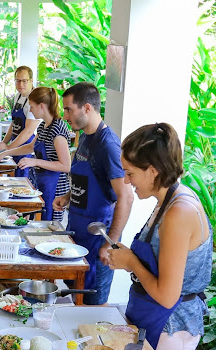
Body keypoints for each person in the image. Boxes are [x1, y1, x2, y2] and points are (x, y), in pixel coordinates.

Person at [107, 123, 212, 350]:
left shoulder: (180, 211)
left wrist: (131, 262)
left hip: (170, 325)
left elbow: (168, 295)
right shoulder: (163, 201)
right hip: (148, 320)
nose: (127, 181)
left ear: (153, 170)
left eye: (131, 173)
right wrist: (126, 260)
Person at [53, 82, 134, 305]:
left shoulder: (108, 146)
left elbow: (126, 196)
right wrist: (68, 196)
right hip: (78, 231)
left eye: (69, 109)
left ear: (87, 108)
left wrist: (111, 243)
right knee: (76, 298)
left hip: (98, 239)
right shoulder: (85, 136)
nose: (64, 114)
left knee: (93, 305)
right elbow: (87, 177)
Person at [0, 86, 71, 221]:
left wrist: (35, 161)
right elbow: (30, 147)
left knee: (47, 226)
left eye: (32, 106)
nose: (30, 110)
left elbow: (66, 165)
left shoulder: (58, 129)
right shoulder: (43, 126)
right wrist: (5, 153)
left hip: (55, 189)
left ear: (41, 106)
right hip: (42, 182)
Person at [0, 65, 41, 178]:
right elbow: (14, 123)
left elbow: (28, 131)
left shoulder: (34, 99)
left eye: (24, 81)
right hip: (16, 146)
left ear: (31, 81)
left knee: (22, 184)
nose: (21, 84)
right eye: (18, 81)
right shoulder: (18, 96)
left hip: (27, 150)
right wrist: (5, 142)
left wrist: (9, 149)